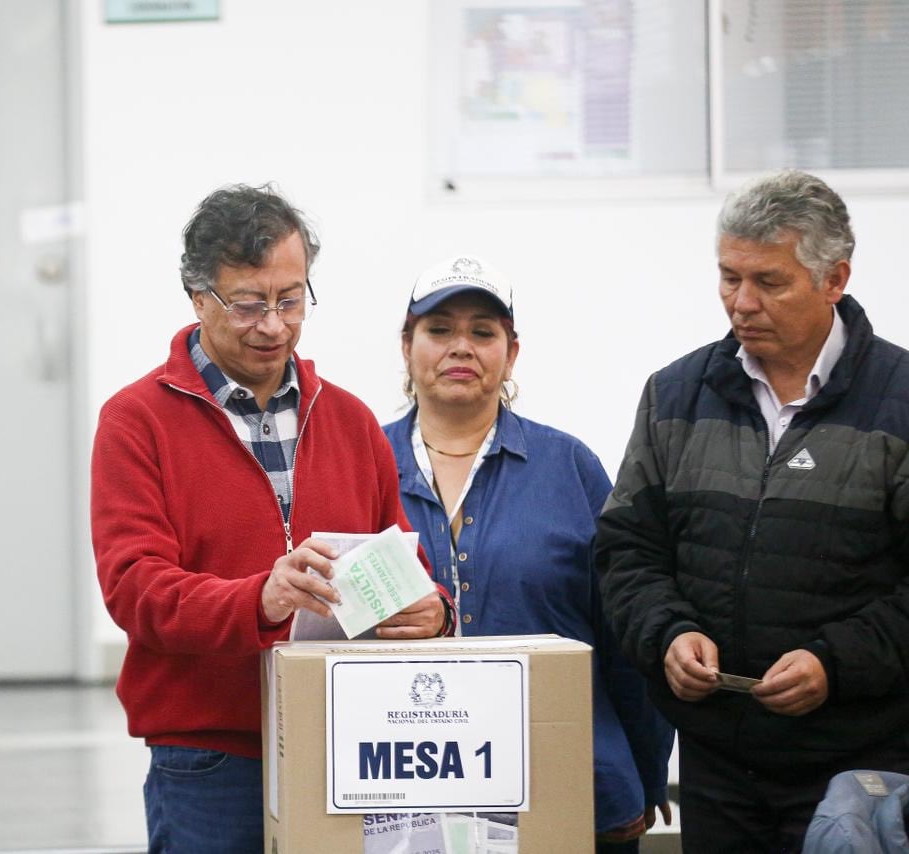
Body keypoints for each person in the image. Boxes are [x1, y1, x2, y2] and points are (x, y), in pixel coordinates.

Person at [90, 184, 451, 854]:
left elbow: (407, 565)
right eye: (249, 304)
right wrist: (258, 599)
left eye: (291, 299)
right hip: (209, 759)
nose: (275, 326)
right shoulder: (136, 423)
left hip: (350, 744)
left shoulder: (349, 420)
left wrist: (434, 612)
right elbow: (135, 589)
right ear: (198, 297)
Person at [595, 170, 909, 852]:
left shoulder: (900, 401)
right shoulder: (677, 394)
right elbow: (626, 549)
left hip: (860, 769)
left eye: (769, 281)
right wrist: (668, 635)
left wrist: (834, 663)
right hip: (717, 765)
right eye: (729, 277)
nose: (741, 302)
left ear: (834, 279)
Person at [383, 255, 674, 852]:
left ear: (511, 353)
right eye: (439, 329)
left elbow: (626, 635)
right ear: (407, 345)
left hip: (572, 789)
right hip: (404, 800)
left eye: (482, 331)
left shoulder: (570, 467)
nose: (461, 346)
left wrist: (640, 775)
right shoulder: (361, 464)